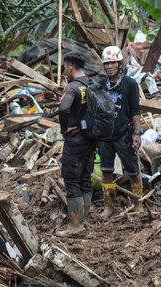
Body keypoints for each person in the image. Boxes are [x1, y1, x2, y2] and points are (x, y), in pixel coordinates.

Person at [98, 46, 143, 220]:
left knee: (132, 170)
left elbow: (135, 110)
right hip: (105, 136)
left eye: (112, 63)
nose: (109, 66)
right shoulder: (101, 85)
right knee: (106, 172)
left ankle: (138, 203)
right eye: (106, 64)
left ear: (119, 64)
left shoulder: (130, 84)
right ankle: (109, 207)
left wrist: (137, 133)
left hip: (124, 134)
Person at [56, 52, 97, 237]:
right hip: (91, 137)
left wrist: (65, 128)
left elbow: (63, 108)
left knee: (71, 179)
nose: (65, 70)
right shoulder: (92, 84)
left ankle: (75, 226)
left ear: (70, 67)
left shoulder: (72, 87)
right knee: (85, 178)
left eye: (65, 67)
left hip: (75, 139)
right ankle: (84, 218)